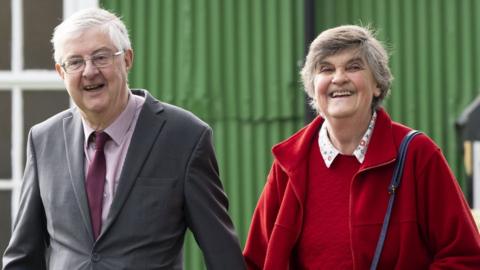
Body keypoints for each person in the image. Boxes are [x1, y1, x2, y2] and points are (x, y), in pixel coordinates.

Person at [3, 8, 246, 270]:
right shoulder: (43, 140)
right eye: (75, 62)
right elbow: (22, 258)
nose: (89, 71)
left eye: (101, 57)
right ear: (61, 72)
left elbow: (222, 255)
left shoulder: (186, 137)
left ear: (127, 59)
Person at [243, 25, 480, 269]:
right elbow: (255, 261)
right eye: (326, 69)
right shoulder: (290, 164)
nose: (338, 78)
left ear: (378, 84)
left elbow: (465, 257)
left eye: (353, 67)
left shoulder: (417, 154)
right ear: (313, 87)